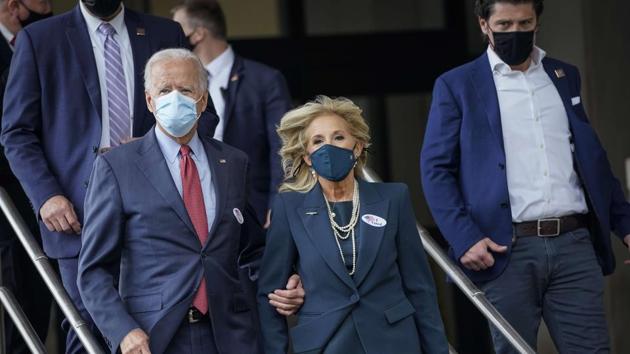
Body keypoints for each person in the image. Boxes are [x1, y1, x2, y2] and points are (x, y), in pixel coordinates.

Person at [0, 1, 221, 352]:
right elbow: (16, 132)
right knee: (88, 330)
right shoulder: (40, 39)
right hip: (75, 215)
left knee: (158, 328)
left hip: (158, 216)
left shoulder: (166, 33)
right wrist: (46, 196)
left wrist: (159, 142)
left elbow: (205, 116)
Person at [420, 0, 630, 353]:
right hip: (506, 250)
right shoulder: (457, 85)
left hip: (574, 244)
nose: (515, 32)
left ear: (537, 22)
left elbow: (592, 163)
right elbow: (436, 169)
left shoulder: (564, 76)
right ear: (483, 24)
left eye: (524, 23)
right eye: (504, 25)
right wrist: (464, 237)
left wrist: (624, 224)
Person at [78, 48, 303, 354]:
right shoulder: (117, 167)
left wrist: (283, 281)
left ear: (203, 100)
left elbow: (251, 250)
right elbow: (93, 271)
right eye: (164, 90)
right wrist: (123, 331)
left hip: (231, 335)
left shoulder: (233, 162)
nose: (175, 98)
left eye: (185, 90)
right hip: (154, 336)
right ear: (149, 100)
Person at [258, 96, 448, 354]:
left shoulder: (394, 198)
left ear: (357, 147)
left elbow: (419, 287)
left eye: (338, 137)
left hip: (393, 341)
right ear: (308, 157)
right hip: (325, 343)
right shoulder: (289, 207)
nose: (329, 147)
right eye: (318, 141)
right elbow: (271, 293)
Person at [172, 0, 292, 226]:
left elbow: (284, 146)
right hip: (192, 210)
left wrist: (279, 202)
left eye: (178, 29)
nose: (171, 37)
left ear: (197, 34)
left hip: (252, 210)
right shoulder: (175, 86)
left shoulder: (264, 80)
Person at [0, 1, 54, 352]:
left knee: (49, 295)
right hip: (10, 201)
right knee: (20, 296)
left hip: (49, 193)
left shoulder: (41, 40)